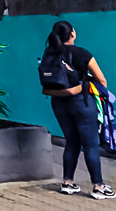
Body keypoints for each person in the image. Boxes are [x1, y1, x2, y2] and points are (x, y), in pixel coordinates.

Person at [42, 21, 115, 199]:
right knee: (90, 144)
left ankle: (67, 183)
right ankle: (98, 187)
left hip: (58, 103)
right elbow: (102, 80)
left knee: (71, 141)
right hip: (81, 103)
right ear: (72, 34)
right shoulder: (82, 53)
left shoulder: (49, 53)